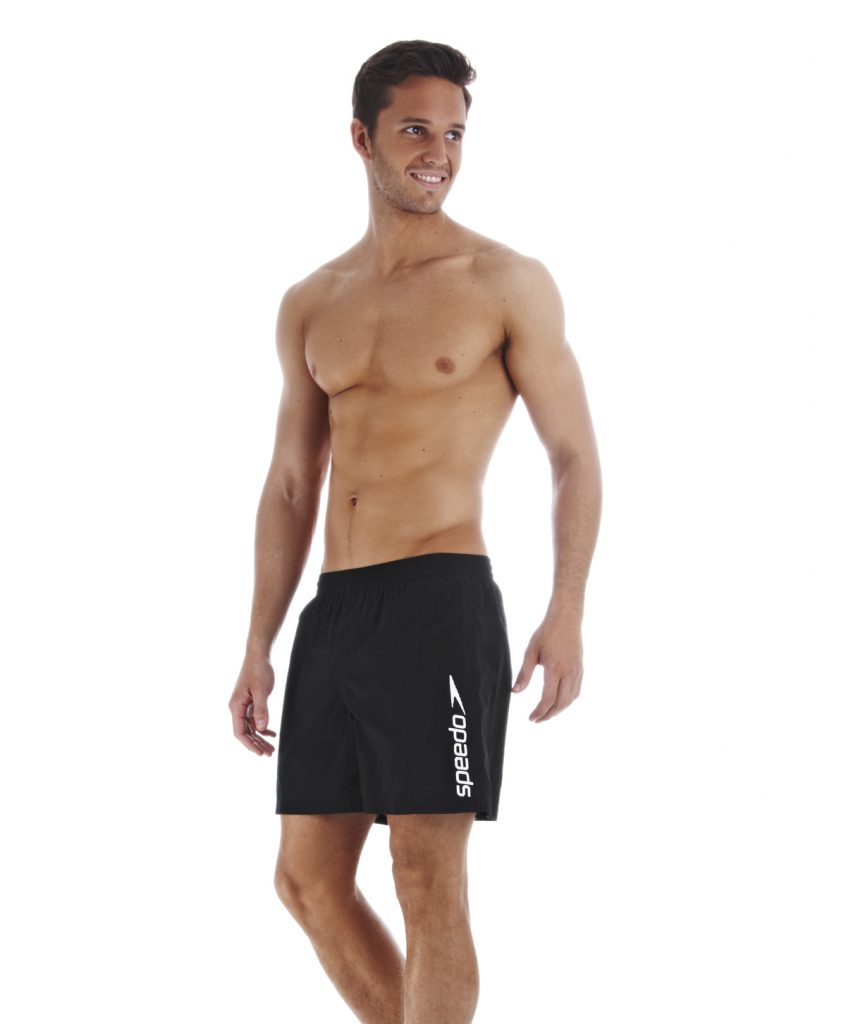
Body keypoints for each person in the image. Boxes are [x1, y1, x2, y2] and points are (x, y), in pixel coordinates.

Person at [228, 38, 602, 1024]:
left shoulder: (503, 281)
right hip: (336, 611)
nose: (439, 154)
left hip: (440, 599)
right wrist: (259, 642)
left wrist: (566, 610)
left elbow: (574, 455)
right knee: (307, 878)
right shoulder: (313, 302)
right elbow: (290, 484)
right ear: (362, 138)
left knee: (425, 872)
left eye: (455, 134)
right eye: (416, 131)